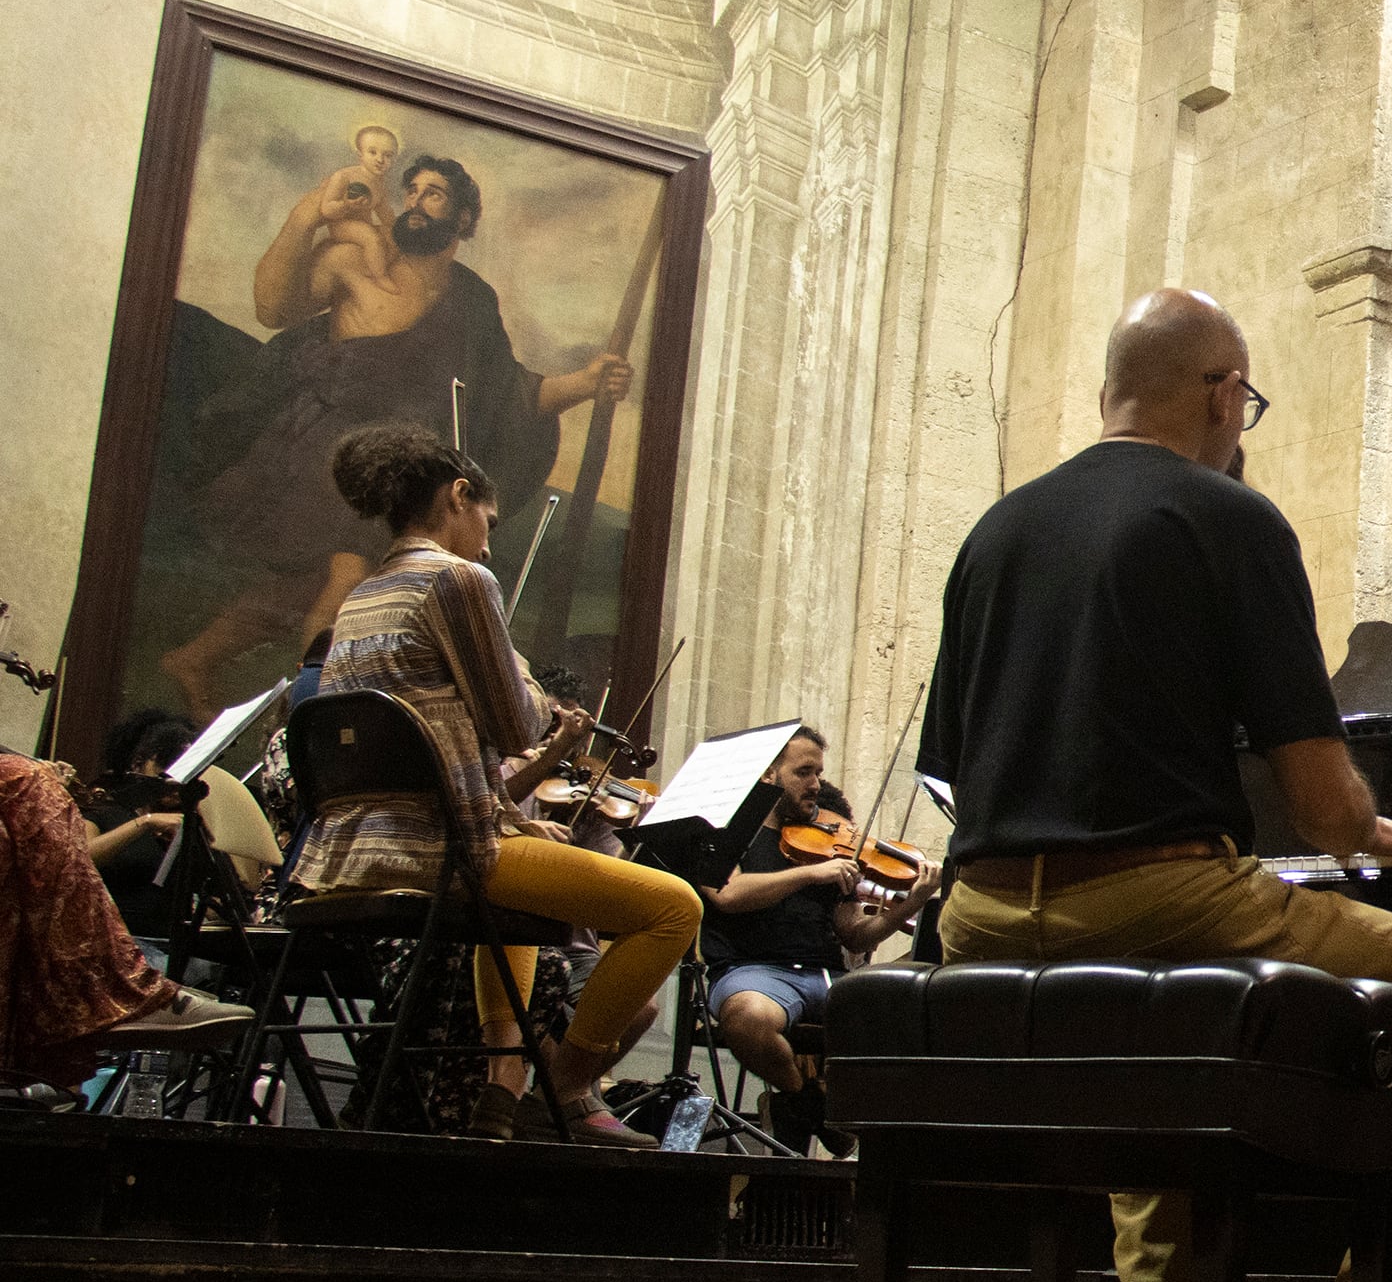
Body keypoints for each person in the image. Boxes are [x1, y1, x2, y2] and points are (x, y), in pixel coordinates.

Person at [918, 287, 1392, 1282]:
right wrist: (1373, 832)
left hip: (981, 920)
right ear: (1220, 393)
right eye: (1242, 402)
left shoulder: (995, 529)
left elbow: (949, 766)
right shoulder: (1230, 517)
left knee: (1156, 1018)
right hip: (1161, 895)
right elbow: (1321, 804)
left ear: (1109, 391)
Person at [287, 423, 699, 1145]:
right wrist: (534, 691)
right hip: (440, 854)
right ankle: (567, 1089)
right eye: (489, 521)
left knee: (520, 896)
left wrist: (507, 815)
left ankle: (498, 1096)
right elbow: (515, 727)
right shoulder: (459, 580)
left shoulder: (362, 597)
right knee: (674, 908)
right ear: (458, 495)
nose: (486, 544)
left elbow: (425, 740)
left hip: (354, 855)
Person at [164, 157, 634, 715]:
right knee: (350, 577)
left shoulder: (472, 300)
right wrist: (306, 216)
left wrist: (586, 382)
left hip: (401, 468)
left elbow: (508, 393)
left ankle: (195, 660)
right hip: (333, 451)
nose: (415, 201)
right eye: (412, 190)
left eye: (433, 194)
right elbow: (272, 308)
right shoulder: (355, 265)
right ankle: (317, 723)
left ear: (463, 219)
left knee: (309, 582)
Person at [698, 727, 935, 1141]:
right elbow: (728, 895)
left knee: (912, 1014)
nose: (816, 785)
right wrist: (810, 873)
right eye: (803, 772)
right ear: (768, 774)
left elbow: (855, 936)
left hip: (825, 976)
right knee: (750, 1020)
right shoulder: (723, 832)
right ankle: (806, 1100)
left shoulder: (829, 839)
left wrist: (913, 901)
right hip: (750, 971)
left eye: (819, 773)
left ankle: (845, 1122)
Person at [0, 751, 251, 1093]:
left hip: (166, 942)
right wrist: (143, 824)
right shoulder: (108, 811)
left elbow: (244, 880)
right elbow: (87, 853)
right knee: (27, 780)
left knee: (226, 979)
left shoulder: (179, 821)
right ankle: (122, 993)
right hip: (140, 943)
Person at [80, 708, 201, 951]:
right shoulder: (104, 809)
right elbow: (83, 857)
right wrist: (144, 823)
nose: (177, 782)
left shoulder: (187, 818)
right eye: (166, 768)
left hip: (176, 943)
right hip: (123, 940)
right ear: (138, 765)